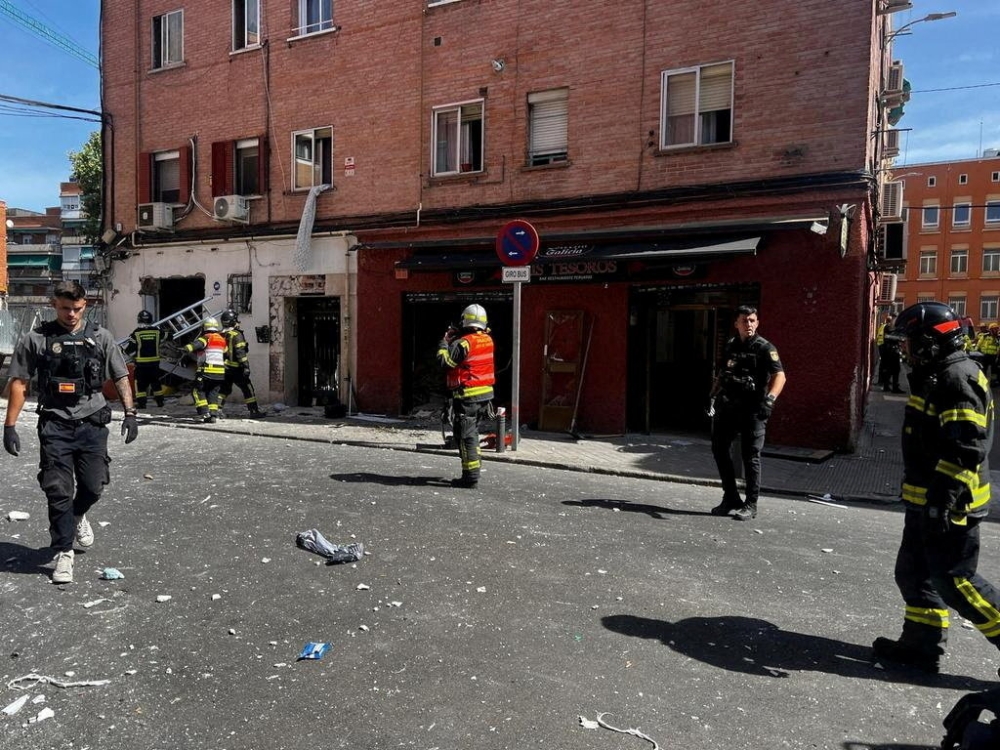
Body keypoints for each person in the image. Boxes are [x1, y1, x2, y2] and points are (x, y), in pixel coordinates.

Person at [872, 301, 1000, 674]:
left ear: (930, 342)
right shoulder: (935, 373)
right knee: (914, 574)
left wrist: (941, 503)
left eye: (910, 342)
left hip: (951, 505)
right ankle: (921, 645)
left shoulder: (955, 378)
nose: (904, 350)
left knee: (957, 582)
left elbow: (966, 449)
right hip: (927, 500)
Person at [2, 280, 139, 584]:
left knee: (93, 486)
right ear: (54, 305)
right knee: (57, 489)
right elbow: (20, 383)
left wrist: (130, 413)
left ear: (84, 305)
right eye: (65, 308)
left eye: (77, 309)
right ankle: (63, 551)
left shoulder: (101, 337)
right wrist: (9, 425)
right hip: (54, 424)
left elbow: (120, 375)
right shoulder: (36, 339)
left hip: (92, 423)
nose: (71, 314)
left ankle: (77, 515)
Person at [708, 305, 787, 521]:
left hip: (753, 409)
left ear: (757, 323)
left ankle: (751, 504)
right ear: (736, 323)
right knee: (719, 448)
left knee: (750, 456)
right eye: (744, 320)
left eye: (752, 320)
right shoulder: (731, 345)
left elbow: (779, 376)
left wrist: (769, 400)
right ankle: (731, 497)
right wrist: (713, 395)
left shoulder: (764, 347)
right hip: (729, 407)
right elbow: (723, 373)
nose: (749, 324)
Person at [436, 304, 495, 488]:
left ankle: (470, 477)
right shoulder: (487, 339)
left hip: (468, 396)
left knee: (465, 436)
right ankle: (473, 470)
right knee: (472, 433)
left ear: (465, 321)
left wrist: (444, 342)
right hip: (484, 396)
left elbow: (445, 362)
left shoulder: (463, 343)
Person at [218, 309, 261, 417]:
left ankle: (216, 411)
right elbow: (240, 353)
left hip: (223, 368)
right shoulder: (236, 335)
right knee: (247, 388)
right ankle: (254, 411)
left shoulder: (219, 334)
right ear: (232, 322)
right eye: (236, 320)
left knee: (223, 390)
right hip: (236, 368)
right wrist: (246, 367)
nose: (238, 322)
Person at [183, 317, 226, 423]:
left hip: (207, 371)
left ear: (204, 327)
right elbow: (225, 351)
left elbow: (191, 347)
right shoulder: (222, 339)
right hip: (220, 372)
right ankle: (213, 416)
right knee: (213, 393)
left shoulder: (206, 337)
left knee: (197, 390)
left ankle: (203, 412)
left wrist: (185, 348)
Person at [122, 309, 166, 409]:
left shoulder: (136, 333)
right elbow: (168, 336)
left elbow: (130, 349)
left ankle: (142, 404)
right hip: (154, 364)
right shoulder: (157, 331)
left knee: (140, 385)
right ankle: (160, 402)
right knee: (156, 383)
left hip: (141, 365)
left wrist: (123, 352)